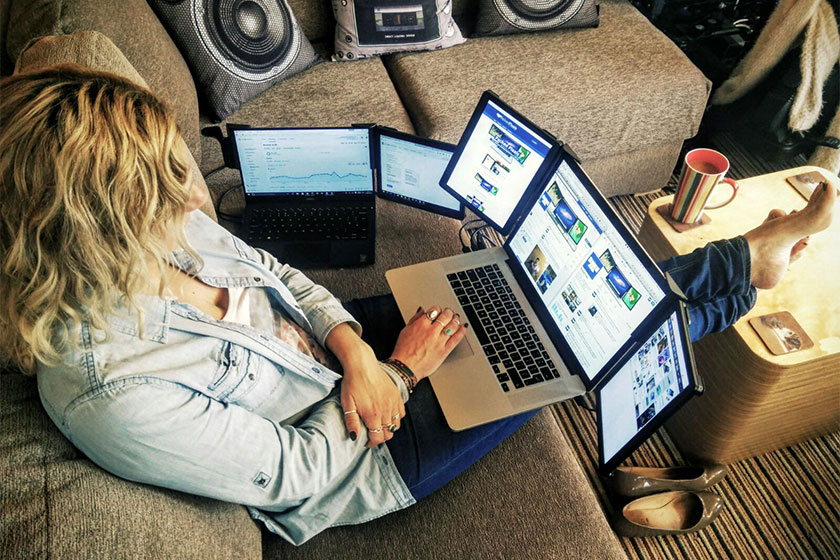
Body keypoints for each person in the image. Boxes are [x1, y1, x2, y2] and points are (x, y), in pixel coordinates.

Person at [0, 66, 835, 545]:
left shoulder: (163, 235)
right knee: (588, 350)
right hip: (367, 456)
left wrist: (356, 348)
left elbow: (273, 273)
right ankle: (746, 270)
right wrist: (398, 373)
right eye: (157, 189)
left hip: (342, 358)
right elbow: (299, 474)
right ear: (97, 226)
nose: (183, 196)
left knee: (531, 291)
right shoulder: (111, 394)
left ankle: (743, 261)